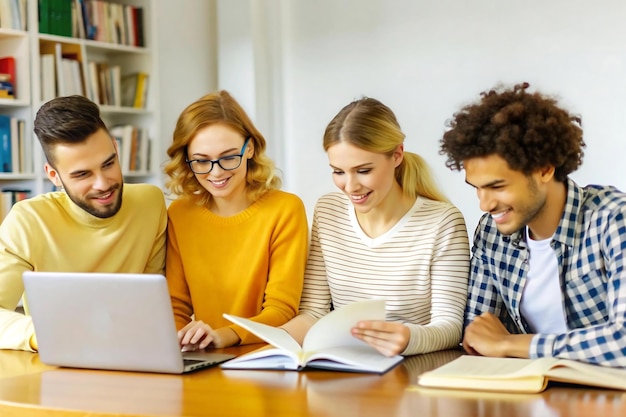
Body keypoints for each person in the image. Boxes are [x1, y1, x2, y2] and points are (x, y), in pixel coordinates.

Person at [439, 82, 626, 368]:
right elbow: (477, 336)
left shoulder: (613, 219)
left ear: (544, 169)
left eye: (497, 186)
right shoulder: (492, 232)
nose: (485, 204)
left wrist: (509, 344)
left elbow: (623, 342)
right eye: (476, 188)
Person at [281, 97, 470, 357]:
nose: (350, 186)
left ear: (396, 155)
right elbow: (313, 313)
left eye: (363, 170)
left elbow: (450, 328)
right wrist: (275, 342)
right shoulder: (328, 211)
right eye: (338, 171)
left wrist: (407, 338)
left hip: (414, 371)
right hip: (346, 369)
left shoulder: (442, 222)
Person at [0, 95, 167, 352]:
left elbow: (156, 301)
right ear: (54, 176)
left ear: (115, 147)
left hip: (134, 353)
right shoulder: (28, 221)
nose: (103, 184)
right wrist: (46, 334)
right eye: (82, 174)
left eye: (108, 163)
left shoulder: (151, 203)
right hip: (59, 363)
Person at [164, 90, 308, 351]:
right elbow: (175, 307)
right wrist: (182, 344)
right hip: (203, 357)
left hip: (266, 356)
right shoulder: (179, 214)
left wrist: (223, 336)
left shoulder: (285, 209)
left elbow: (281, 309)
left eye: (229, 157)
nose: (216, 172)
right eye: (201, 161)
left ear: (250, 148)